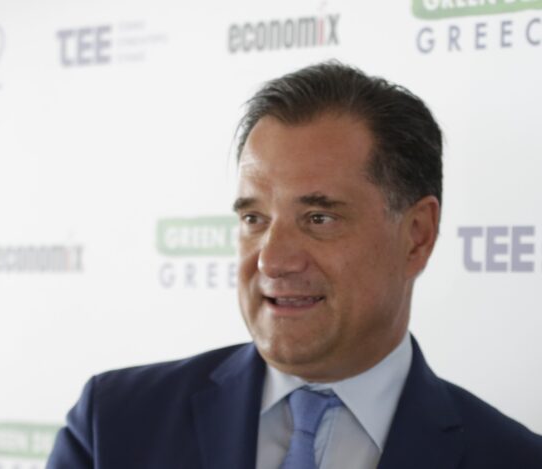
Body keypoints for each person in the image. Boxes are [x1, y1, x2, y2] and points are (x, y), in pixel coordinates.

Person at [47, 62, 542, 468]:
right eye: (254, 218)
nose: (272, 259)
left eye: (319, 218)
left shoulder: (512, 459)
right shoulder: (113, 426)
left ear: (416, 236)